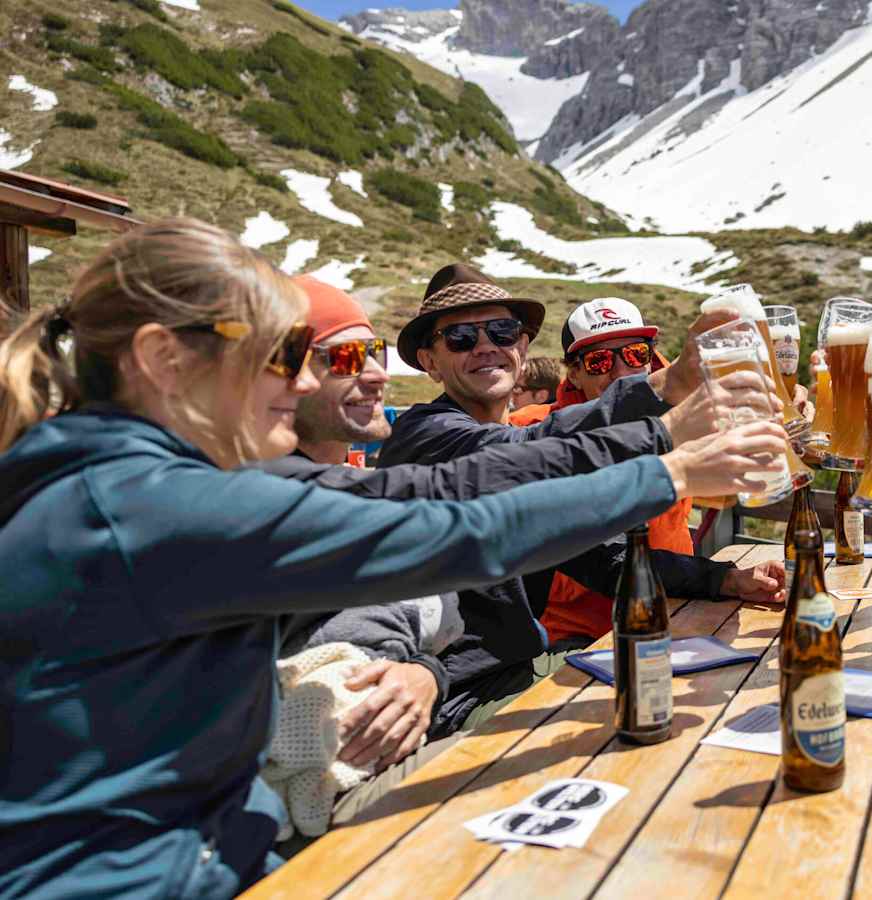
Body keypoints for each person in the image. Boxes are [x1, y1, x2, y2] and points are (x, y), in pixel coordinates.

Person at [0, 219, 784, 898]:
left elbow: (428, 504)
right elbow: (456, 531)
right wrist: (669, 471)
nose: (304, 380)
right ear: (164, 360)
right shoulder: (156, 503)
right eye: (283, 355)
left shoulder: (109, 480)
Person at [379, 267, 786, 735]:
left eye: (502, 330)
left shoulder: (521, 435)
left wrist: (727, 579)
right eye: (460, 338)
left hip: (517, 670)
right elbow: (523, 455)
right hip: (453, 695)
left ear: (523, 348)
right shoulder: (425, 435)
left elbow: (606, 560)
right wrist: (665, 397)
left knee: (700, 699)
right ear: (429, 363)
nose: (486, 345)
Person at [524, 298, 783, 651]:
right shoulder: (536, 433)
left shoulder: (687, 412)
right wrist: (724, 579)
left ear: (649, 359)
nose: (618, 372)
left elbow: (732, 491)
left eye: (633, 355)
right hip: (583, 637)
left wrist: (789, 423)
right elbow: (606, 561)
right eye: (598, 361)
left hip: (681, 611)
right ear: (574, 372)